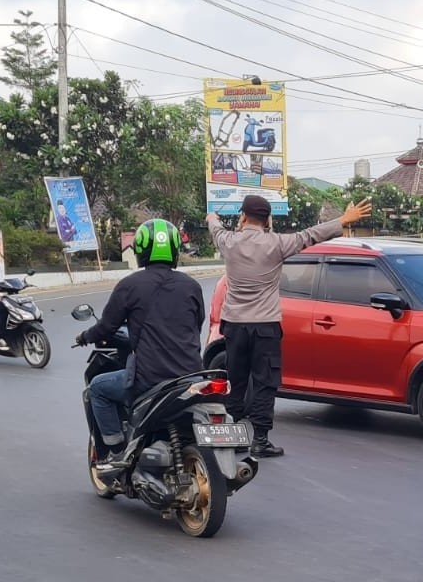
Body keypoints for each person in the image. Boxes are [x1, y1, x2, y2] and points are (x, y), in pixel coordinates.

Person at [206, 194, 373, 458]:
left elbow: (215, 227)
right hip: (265, 326)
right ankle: (260, 440)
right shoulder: (279, 244)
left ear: (244, 217)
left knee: (236, 382)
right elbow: (311, 235)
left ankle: (232, 438)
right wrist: (342, 220)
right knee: (264, 383)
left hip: (235, 327)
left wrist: (211, 217)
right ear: (268, 219)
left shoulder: (228, 241)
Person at [75, 219, 204, 467]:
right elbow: (197, 324)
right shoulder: (192, 286)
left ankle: (115, 451)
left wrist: (85, 337)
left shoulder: (129, 285)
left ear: (140, 251)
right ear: (176, 251)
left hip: (150, 377)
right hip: (192, 377)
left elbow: (106, 327)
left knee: (98, 389)